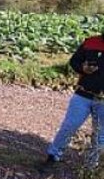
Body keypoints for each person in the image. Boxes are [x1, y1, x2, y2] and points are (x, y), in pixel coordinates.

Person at [44, 33, 104, 168]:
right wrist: (83, 68)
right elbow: (74, 61)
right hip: (83, 95)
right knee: (69, 126)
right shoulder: (91, 42)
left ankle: (91, 167)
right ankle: (53, 156)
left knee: (100, 135)